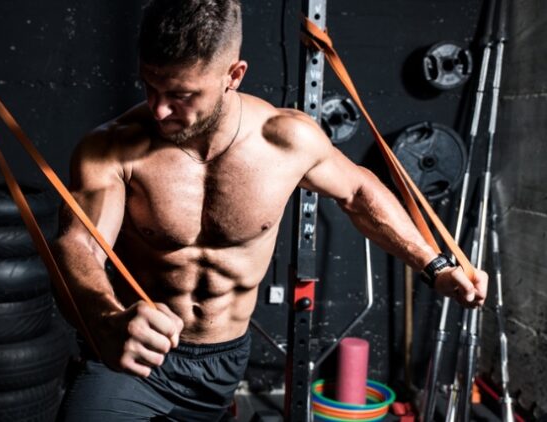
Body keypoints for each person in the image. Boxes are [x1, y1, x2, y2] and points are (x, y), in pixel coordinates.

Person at [53, 0, 488, 419]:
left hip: (222, 364)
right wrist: (106, 319)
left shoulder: (286, 140)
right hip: (133, 353)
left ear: (234, 75)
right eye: (149, 85)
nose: (159, 107)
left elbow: (358, 190)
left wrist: (436, 266)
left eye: (181, 94)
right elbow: (79, 246)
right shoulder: (110, 149)